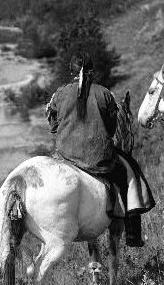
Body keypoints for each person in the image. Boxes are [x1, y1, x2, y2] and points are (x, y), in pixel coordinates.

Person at [45, 53, 151, 246]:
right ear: (92, 72)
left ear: (72, 72)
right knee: (129, 173)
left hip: (64, 156)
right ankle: (133, 234)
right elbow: (111, 130)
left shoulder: (59, 94)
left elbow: (53, 127)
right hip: (97, 159)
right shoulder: (104, 94)